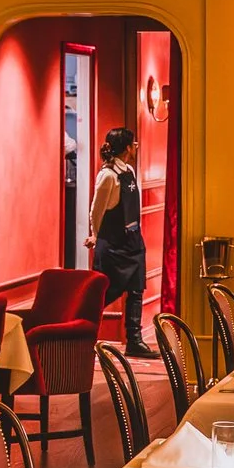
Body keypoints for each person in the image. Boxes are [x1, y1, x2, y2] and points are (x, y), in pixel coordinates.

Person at [85, 125, 153, 358]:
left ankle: (134, 340)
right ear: (126, 147)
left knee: (136, 290)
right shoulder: (107, 175)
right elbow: (97, 209)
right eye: (133, 143)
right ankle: (85, 337)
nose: (135, 147)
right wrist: (95, 234)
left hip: (132, 239)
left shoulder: (129, 171)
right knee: (105, 293)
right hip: (113, 243)